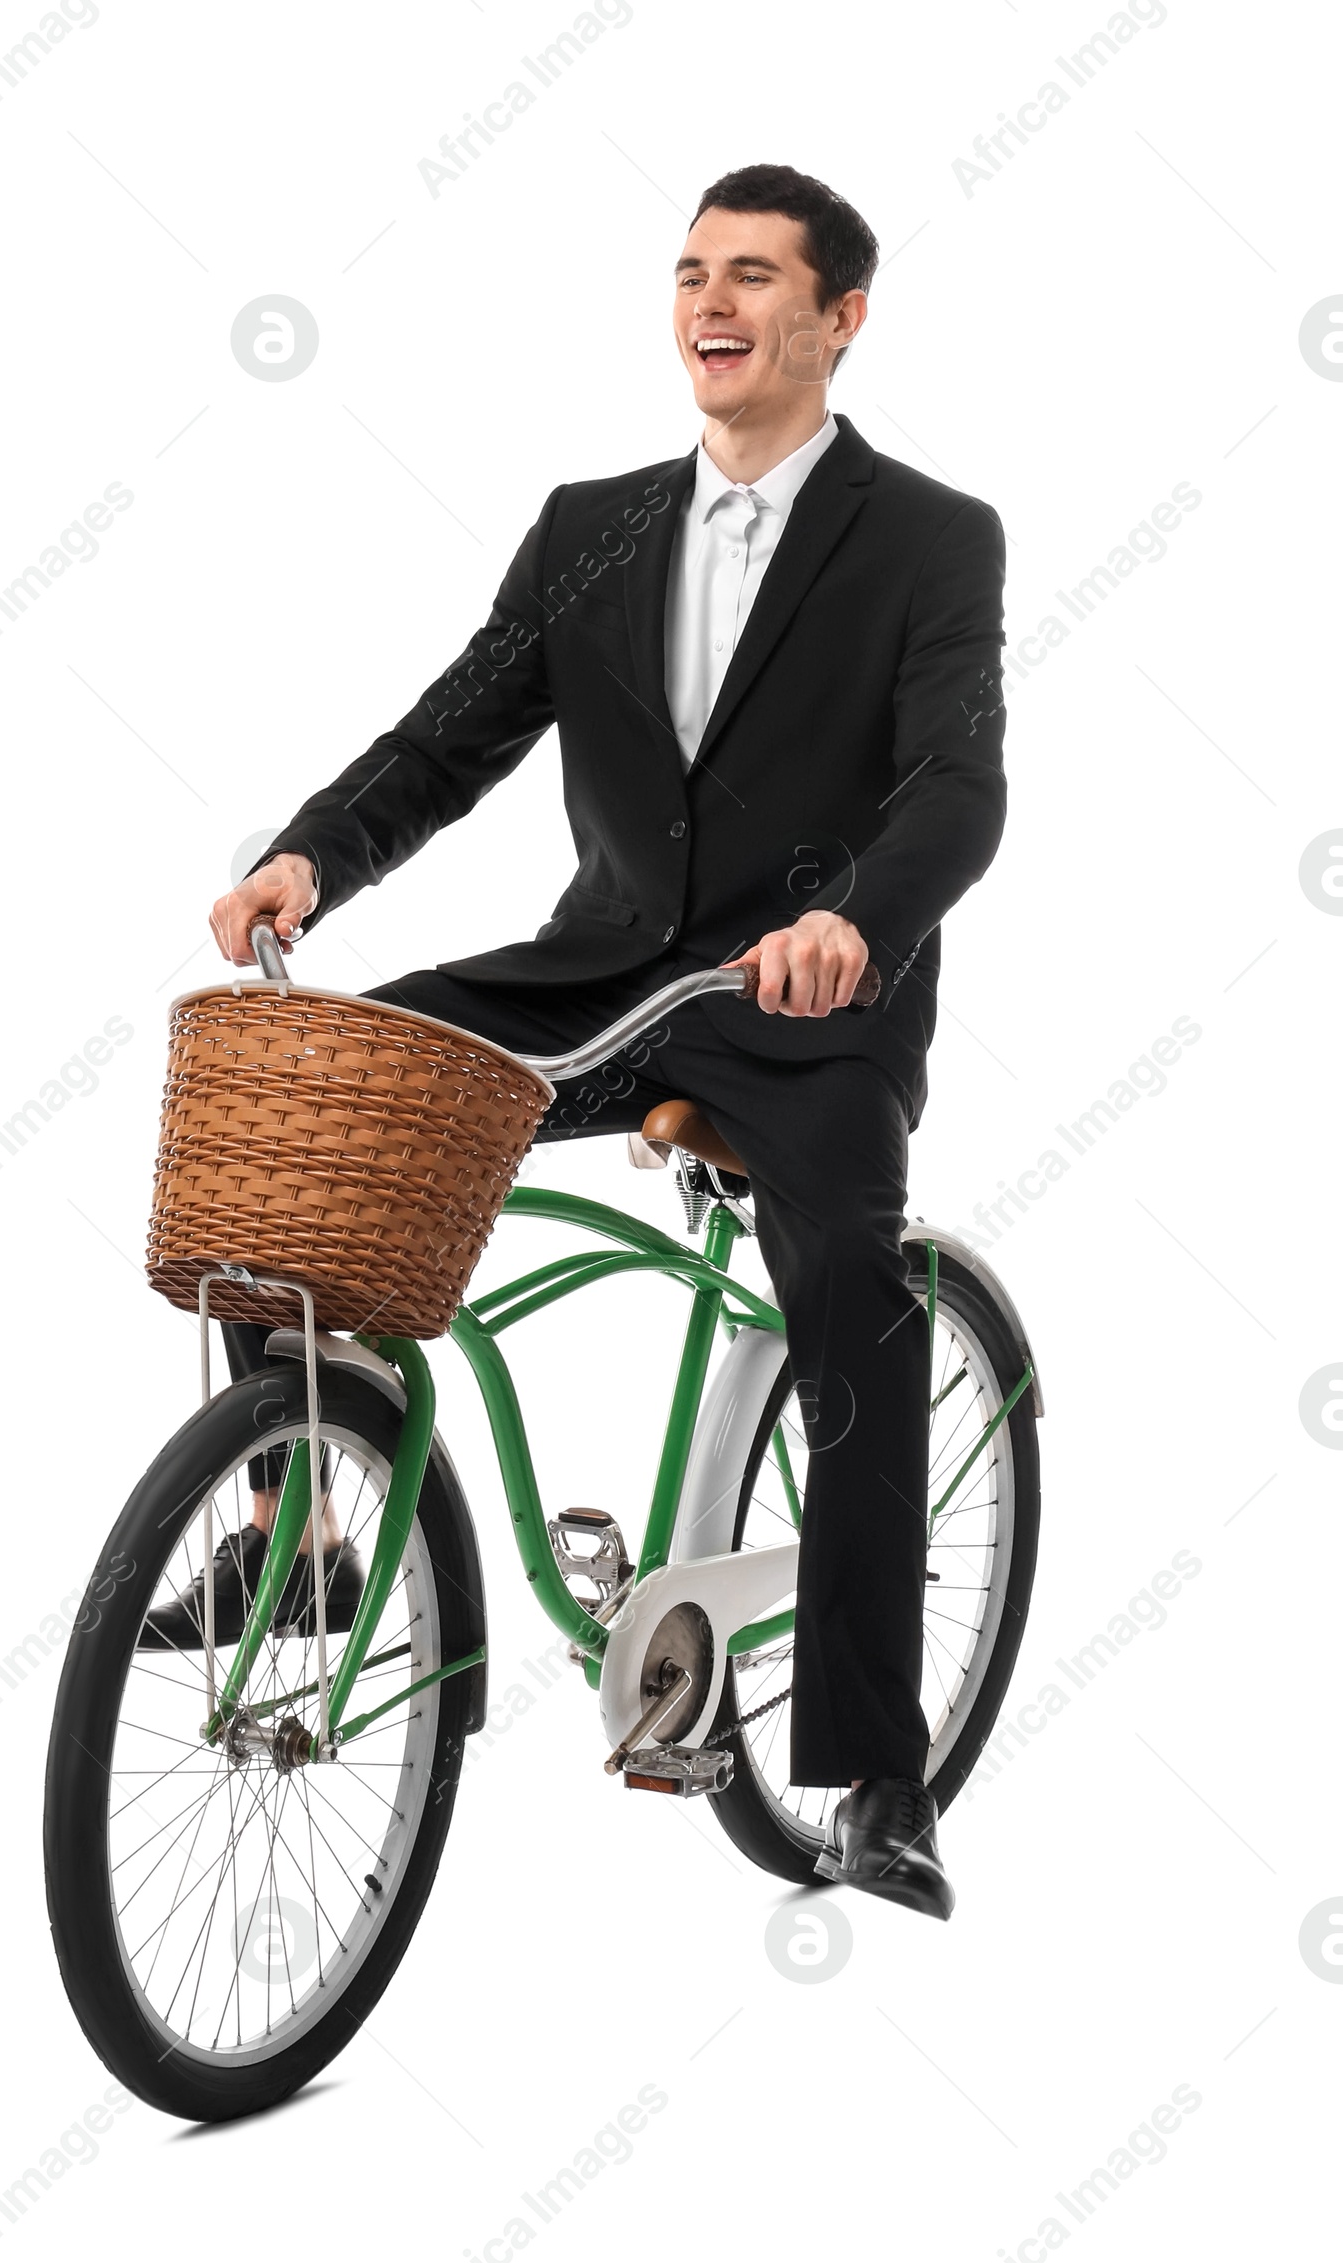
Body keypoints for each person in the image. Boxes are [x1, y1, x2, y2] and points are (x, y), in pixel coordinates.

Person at [197, 162, 1008, 1920]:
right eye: (692, 272)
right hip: (604, 978)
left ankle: (880, 1776)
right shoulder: (594, 525)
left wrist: (854, 922)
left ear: (840, 316)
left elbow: (961, 788)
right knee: (325, 1110)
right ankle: (305, 1534)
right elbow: (450, 737)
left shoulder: (935, 537)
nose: (712, 303)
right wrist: (310, 854)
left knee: (850, 1310)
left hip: (807, 1010)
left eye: (757, 277)